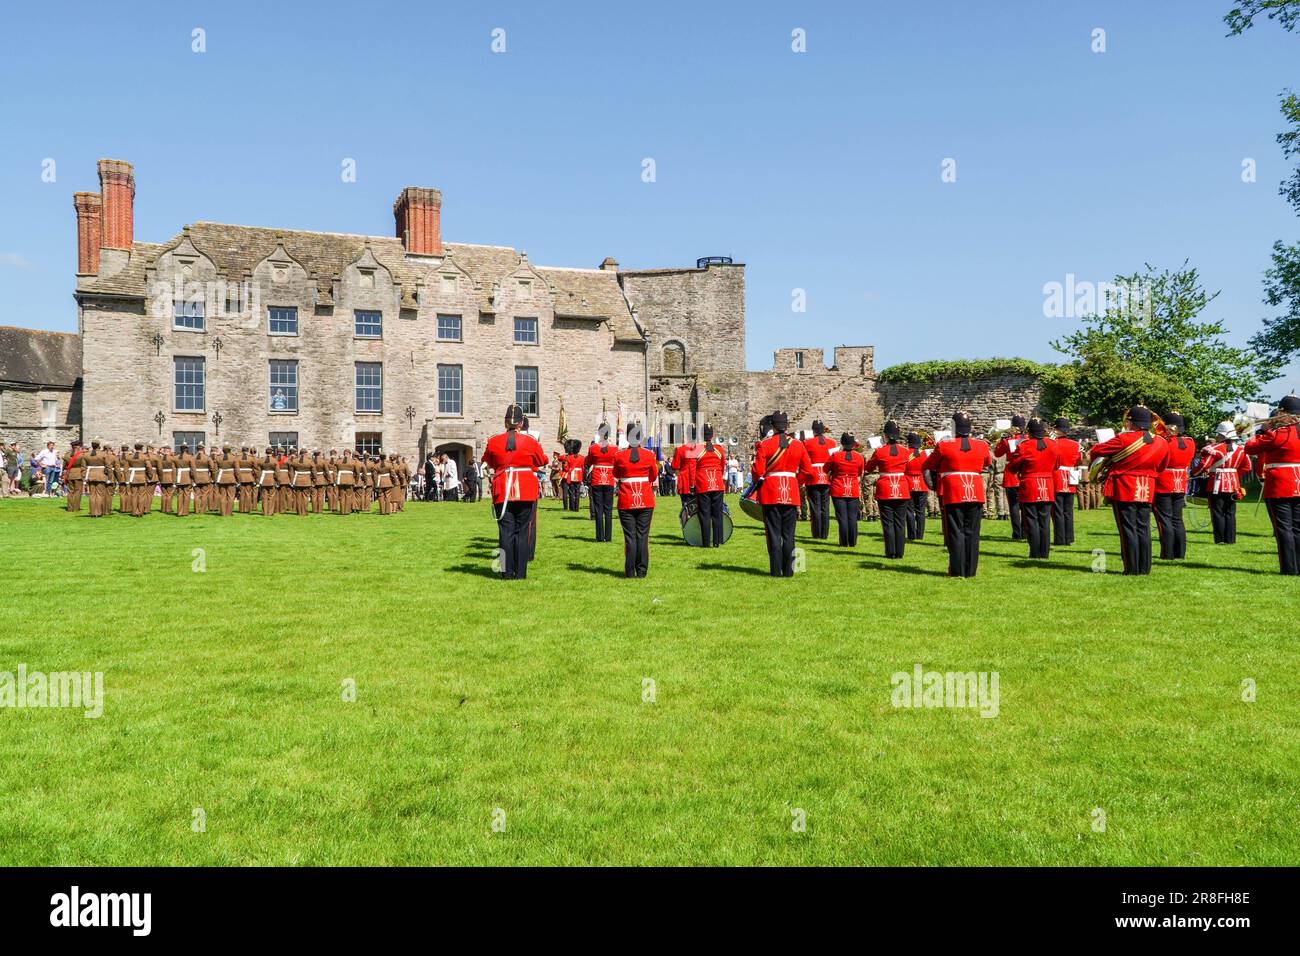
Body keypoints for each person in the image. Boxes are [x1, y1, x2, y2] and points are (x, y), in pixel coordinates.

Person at [1088, 405, 1169, 575]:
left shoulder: (1124, 439)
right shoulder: (1161, 442)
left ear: (1131, 423)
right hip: (1147, 488)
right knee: (1143, 528)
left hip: (1125, 487)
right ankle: (1144, 568)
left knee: (1128, 529)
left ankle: (1131, 568)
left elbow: (1097, 450)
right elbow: (1162, 466)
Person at [923, 412, 993, 578]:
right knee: (973, 532)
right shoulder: (982, 445)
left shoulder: (944, 445)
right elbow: (987, 463)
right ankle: (970, 570)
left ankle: (957, 570)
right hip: (975, 490)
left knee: (956, 531)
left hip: (953, 490)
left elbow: (928, 465)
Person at [483, 405, 548, 579]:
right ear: (520, 423)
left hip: (503, 490)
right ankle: (520, 573)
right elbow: (542, 460)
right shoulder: (530, 441)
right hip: (526, 490)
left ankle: (505, 572)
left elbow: (488, 461)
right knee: (522, 531)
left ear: (505, 422)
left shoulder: (493, 441)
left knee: (505, 532)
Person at [751, 410, 816, 577]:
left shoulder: (764, 445)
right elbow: (808, 471)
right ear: (787, 426)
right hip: (791, 491)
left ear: (772, 426)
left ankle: (775, 570)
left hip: (771, 491)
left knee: (773, 534)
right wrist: (796, 481)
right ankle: (789, 571)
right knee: (789, 535)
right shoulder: (798, 445)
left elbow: (758, 472)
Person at [1244, 395, 1300, 574]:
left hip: (1280, 484)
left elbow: (1250, 447)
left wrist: (1262, 430)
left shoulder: (1279, 433)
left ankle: (1289, 568)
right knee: (1298, 527)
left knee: (1284, 528)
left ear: (1283, 412)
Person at [1007, 419, 1058, 559]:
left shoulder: (1025, 445)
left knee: (1032, 520)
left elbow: (1013, 467)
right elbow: (1057, 465)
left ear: (1029, 431)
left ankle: (1035, 552)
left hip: (1030, 484)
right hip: (1047, 484)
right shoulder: (1053, 444)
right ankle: (1045, 552)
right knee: (1045, 520)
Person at [1193, 422, 1251, 545]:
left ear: (1222, 435)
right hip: (1233, 484)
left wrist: (1193, 474)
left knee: (1217, 512)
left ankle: (1220, 539)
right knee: (1230, 512)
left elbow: (1204, 464)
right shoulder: (1241, 449)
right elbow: (1247, 466)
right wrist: (1234, 474)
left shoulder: (1214, 449)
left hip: (1216, 483)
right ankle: (1230, 539)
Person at [613, 433, 659, 577]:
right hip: (645, 499)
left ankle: (630, 571)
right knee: (643, 536)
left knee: (630, 537)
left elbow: (616, 473)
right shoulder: (649, 455)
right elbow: (653, 476)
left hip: (626, 500)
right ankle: (642, 571)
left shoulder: (619, 456)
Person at [866, 421, 912, 559]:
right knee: (900, 522)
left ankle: (890, 551)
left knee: (888, 523)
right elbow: (909, 469)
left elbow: (868, 468)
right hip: (902, 487)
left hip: (885, 487)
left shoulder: (879, 451)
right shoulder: (905, 451)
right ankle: (899, 552)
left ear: (886, 436)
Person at [1153, 412, 1195, 560]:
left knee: (1165, 519)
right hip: (1180, 482)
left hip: (1163, 482)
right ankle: (1180, 552)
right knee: (1177, 519)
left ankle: (1167, 553)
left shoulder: (1163, 442)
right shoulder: (1190, 442)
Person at [826, 432, 866, 547]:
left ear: (842, 443)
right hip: (852, 488)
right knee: (852, 517)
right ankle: (852, 541)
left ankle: (844, 542)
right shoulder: (859, 457)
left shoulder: (835, 455)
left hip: (838, 488)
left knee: (842, 517)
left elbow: (825, 469)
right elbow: (860, 472)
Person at [692, 424, 728, 548]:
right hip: (717, 483)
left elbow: (693, 468)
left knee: (705, 514)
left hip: (703, 483)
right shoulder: (719, 448)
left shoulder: (696, 448)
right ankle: (718, 541)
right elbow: (722, 466)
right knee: (717, 513)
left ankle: (706, 542)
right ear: (712, 435)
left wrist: (693, 484)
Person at [800, 420, 836, 540]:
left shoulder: (807, 443)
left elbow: (804, 461)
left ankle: (816, 533)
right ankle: (824, 533)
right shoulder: (832, 443)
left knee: (815, 507)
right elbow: (833, 460)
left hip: (813, 476)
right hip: (826, 476)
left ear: (814, 430)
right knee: (825, 507)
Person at [994, 416, 1027, 540]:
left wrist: (1002, 440)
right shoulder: (1029, 439)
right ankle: (1025, 531)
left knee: (1013, 506)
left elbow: (997, 453)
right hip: (1024, 474)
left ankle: (1017, 533)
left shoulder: (1008, 440)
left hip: (1012, 476)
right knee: (1025, 505)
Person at [584, 426, 618, 542]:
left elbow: (588, 462)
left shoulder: (593, 448)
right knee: (608, 509)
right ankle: (608, 537)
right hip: (609, 478)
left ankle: (599, 537)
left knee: (598, 509)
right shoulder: (614, 448)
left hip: (597, 478)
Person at [1050, 418, 1081, 546]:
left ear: (1057, 429)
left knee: (1057, 511)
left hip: (1057, 476)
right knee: (1068, 511)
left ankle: (1060, 539)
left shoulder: (1053, 443)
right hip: (1070, 477)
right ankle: (1069, 538)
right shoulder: (1075, 444)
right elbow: (1078, 461)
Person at [904, 433, 930, 540]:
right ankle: (920, 535)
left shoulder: (906, 453)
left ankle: (911, 534)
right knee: (921, 511)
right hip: (922, 484)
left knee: (909, 510)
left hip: (908, 483)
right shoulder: (924, 454)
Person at [670, 438, 697, 519]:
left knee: (685, 504)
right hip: (697, 480)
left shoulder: (680, 449)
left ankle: (686, 522)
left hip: (685, 481)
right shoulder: (699, 449)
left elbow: (675, 466)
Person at [62, 440, 85, 513]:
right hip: (78, 474)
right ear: (78, 446)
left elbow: (64, 467)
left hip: (70, 474)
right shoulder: (81, 455)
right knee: (78, 492)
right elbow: (83, 466)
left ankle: (70, 508)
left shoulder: (67, 455)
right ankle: (76, 508)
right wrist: (83, 475)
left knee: (70, 492)